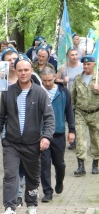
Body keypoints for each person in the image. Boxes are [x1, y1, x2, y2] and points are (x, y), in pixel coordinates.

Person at [0, 53, 55, 214]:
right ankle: (10, 207)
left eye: (26, 70)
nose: (23, 73)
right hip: (11, 143)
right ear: (16, 71)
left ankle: (31, 204)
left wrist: (46, 136)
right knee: (10, 175)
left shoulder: (40, 93)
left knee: (32, 176)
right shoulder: (7, 92)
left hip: (33, 143)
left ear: (31, 71)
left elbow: (49, 117)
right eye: (20, 70)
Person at [39, 66, 75, 203]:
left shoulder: (63, 91)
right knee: (45, 163)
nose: (47, 83)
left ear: (54, 77)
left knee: (59, 164)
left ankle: (59, 181)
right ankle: (47, 191)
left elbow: (69, 112)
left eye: (49, 80)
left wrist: (71, 130)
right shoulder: (37, 91)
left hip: (58, 133)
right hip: (42, 134)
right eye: (44, 81)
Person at [71, 55, 99, 176]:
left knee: (96, 140)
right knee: (80, 140)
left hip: (95, 113)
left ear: (94, 64)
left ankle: (95, 164)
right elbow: (73, 95)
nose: (86, 66)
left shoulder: (97, 78)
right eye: (84, 64)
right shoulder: (78, 78)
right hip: (80, 113)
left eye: (89, 64)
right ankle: (81, 166)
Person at [56, 47, 83, 150]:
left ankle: (79, 140)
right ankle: (73, 140)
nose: (75, 57)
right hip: (68, 97)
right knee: (71, 119)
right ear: (68, 56)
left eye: (76, 54)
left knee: (79, 120)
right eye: (72, 55)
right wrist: (63, 80)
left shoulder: (82, 66)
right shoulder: (64, 68)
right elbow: (55, 79)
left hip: (81, 97)